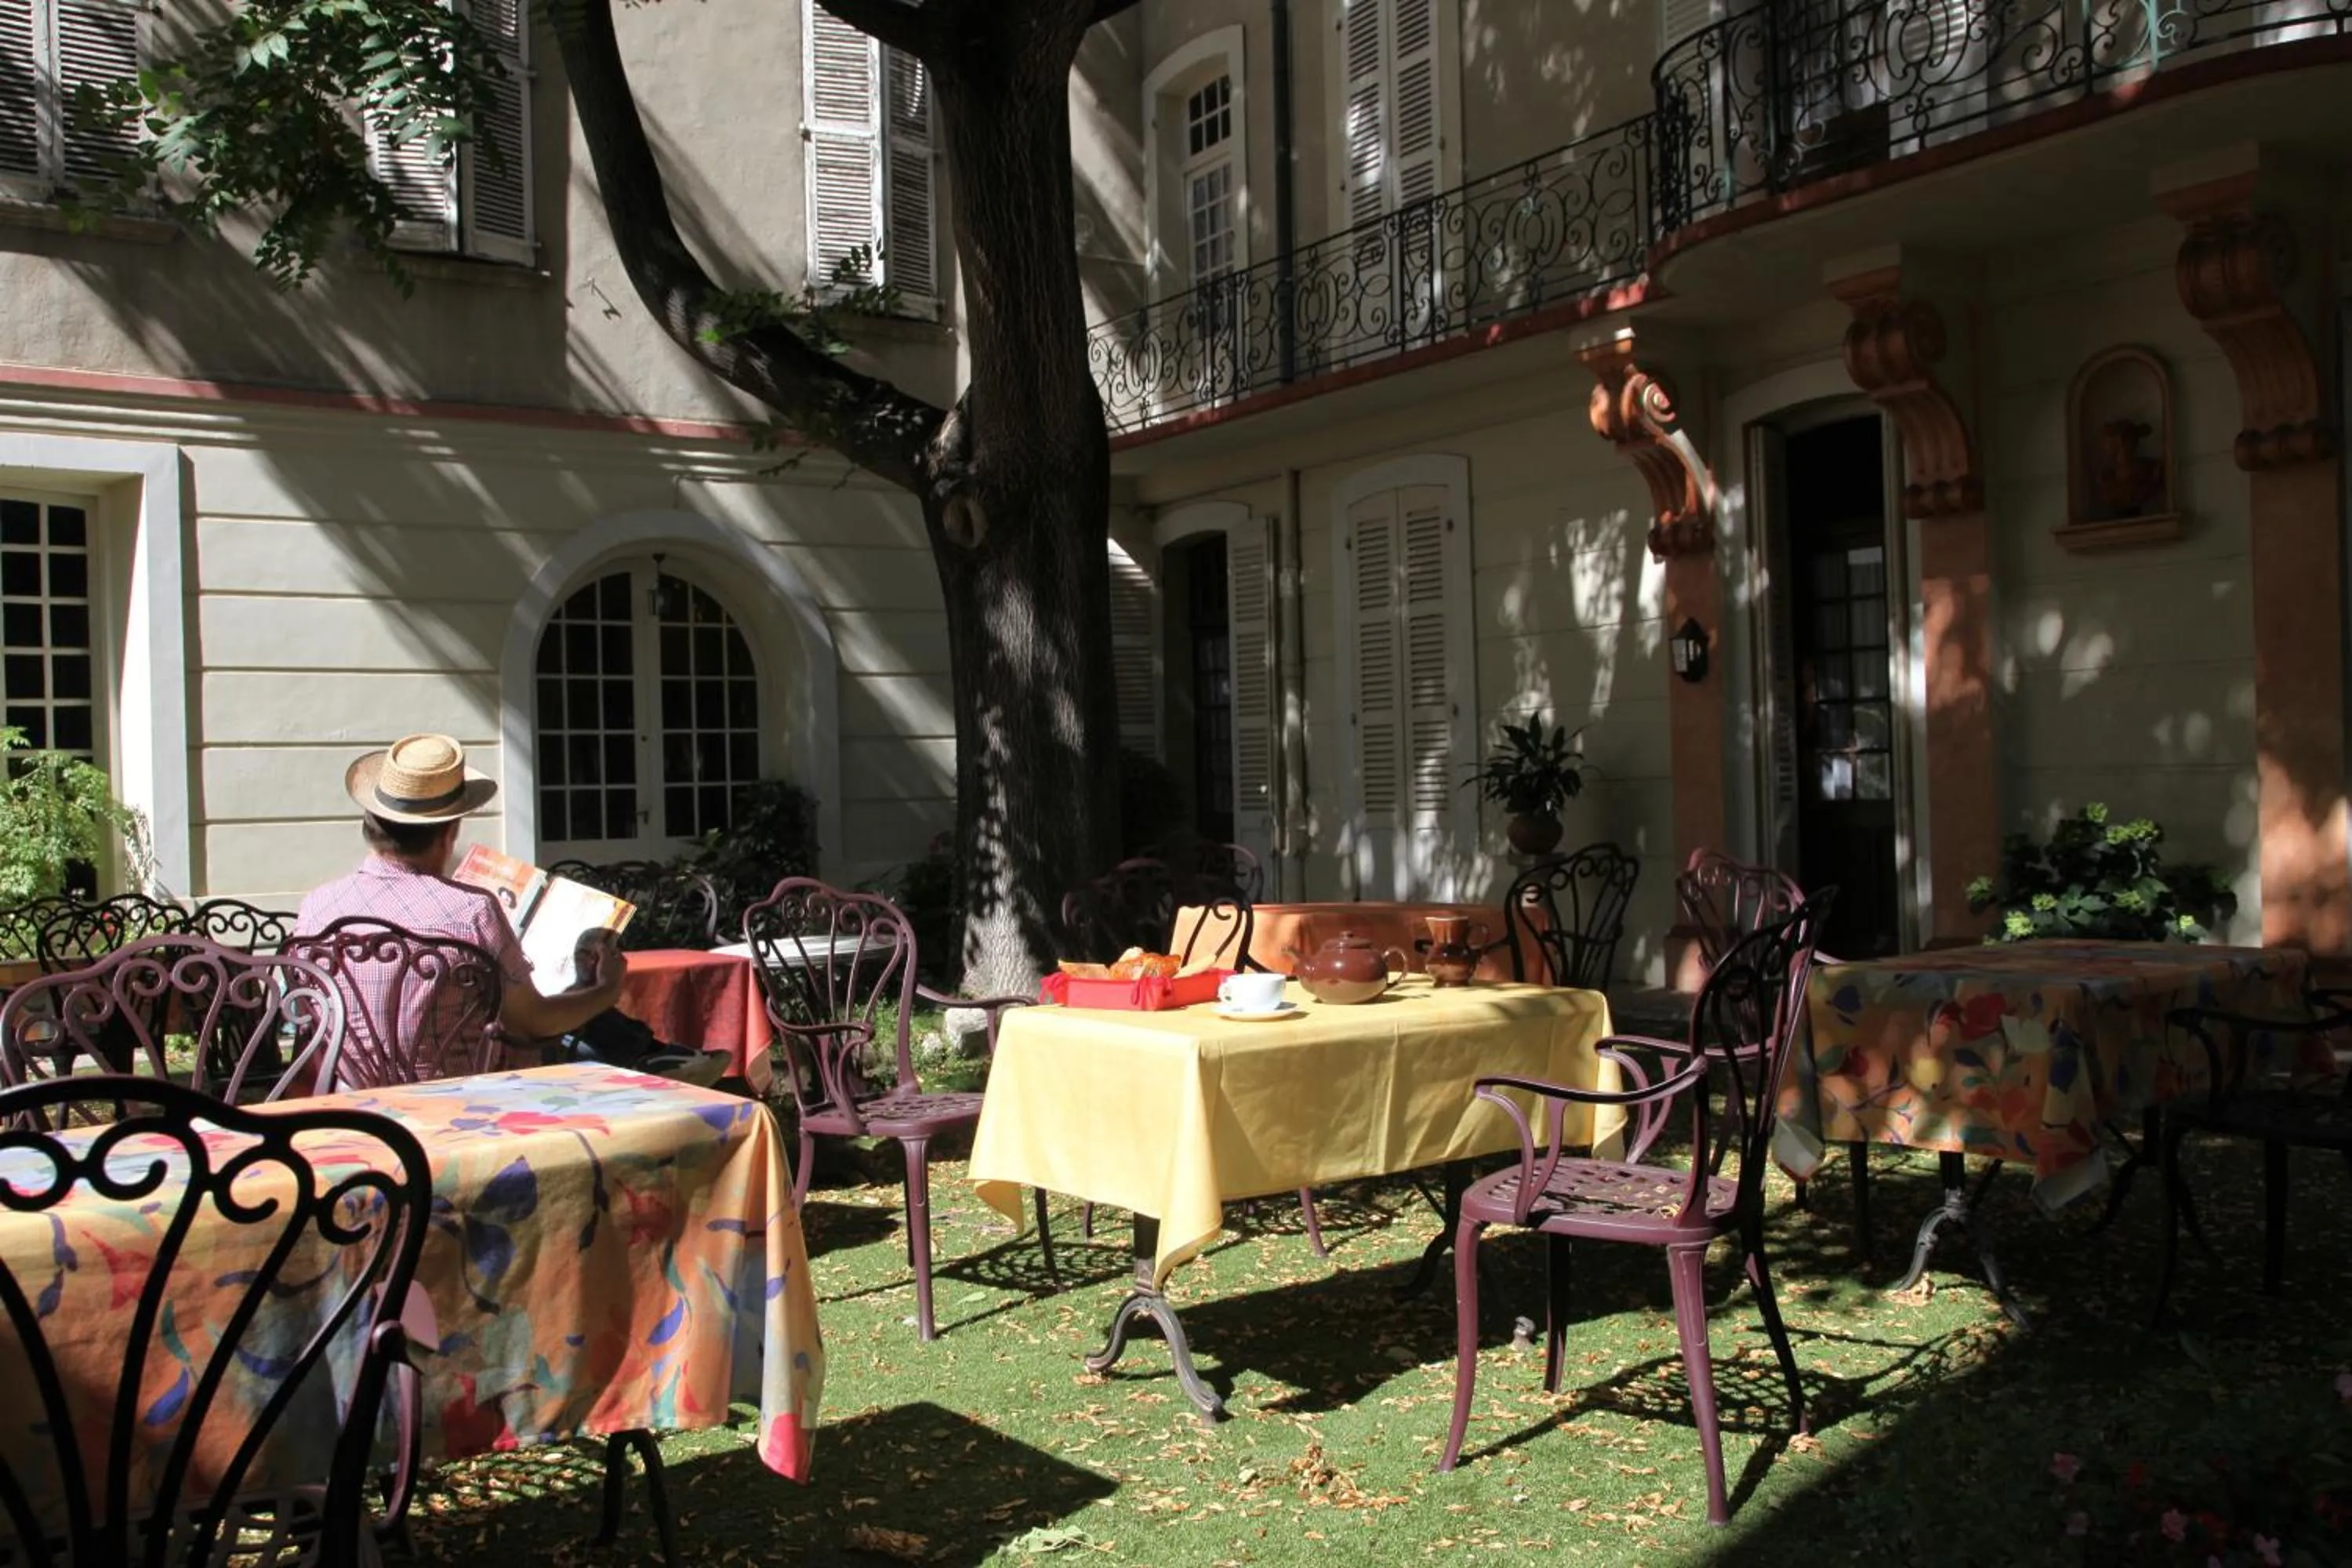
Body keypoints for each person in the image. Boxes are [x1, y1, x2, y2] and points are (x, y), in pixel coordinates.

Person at [296, 732, 725, 1087]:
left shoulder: (315, 907)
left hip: (353, 1103)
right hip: (463, 1098)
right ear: (450, 832)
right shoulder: (470, 910)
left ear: (369, 827)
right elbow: (533, 1024)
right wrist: (605, 990)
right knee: (592, 1048)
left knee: (586, 1031)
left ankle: (658, 1056)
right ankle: (659, 1062)